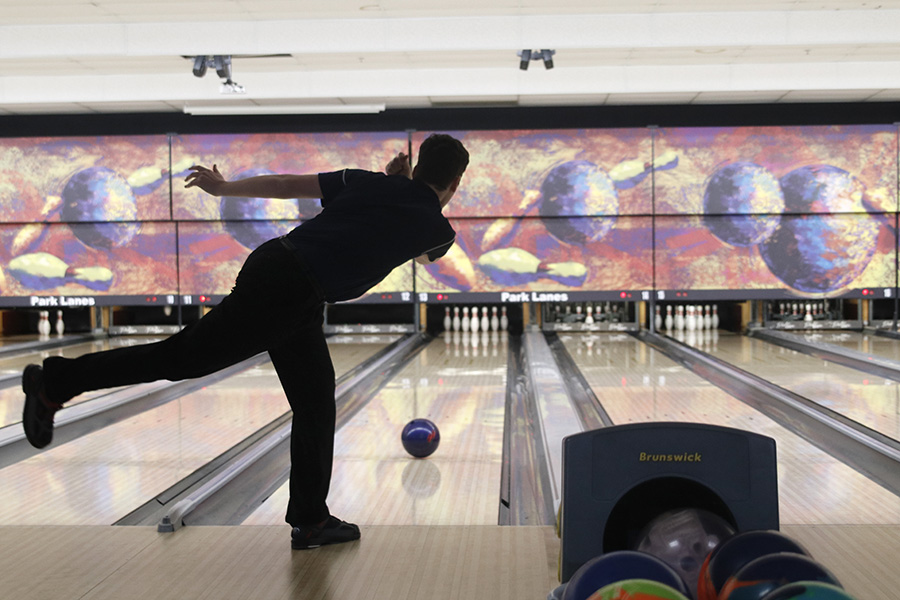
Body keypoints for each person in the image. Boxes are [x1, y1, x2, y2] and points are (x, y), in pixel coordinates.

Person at [21, 133, 469, 549]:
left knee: (316, 402)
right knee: (181, 358)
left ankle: (311, 520)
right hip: (289, 291)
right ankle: (55, 381)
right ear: (455, 181)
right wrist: (408, 189)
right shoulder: (438, 229)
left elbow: (284, 184)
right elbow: (425, 253)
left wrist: (224, 188)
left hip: (287, 276)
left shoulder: (365, 181)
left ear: (419, 164)